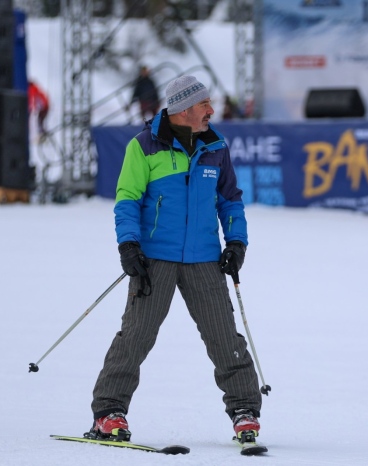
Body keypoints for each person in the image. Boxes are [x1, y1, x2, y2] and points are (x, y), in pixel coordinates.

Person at [88, 75, 262, 444]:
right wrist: (128, 246)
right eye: (204, 105)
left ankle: (245, 411)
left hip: (204, 260)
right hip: (155, 259)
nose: (211, 111)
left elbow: (230, 199)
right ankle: (109, 412)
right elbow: (127, 199)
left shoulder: (216, 146)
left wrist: (236, 242)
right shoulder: (144, 146)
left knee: (223, 337)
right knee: (136, 337)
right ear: (182, 109)